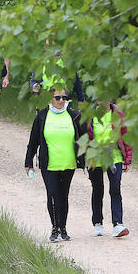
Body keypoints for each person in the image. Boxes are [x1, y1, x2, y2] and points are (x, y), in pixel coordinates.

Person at [25, 86, 84, 242]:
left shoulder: (73, 115)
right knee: (52, 194)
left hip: (68, 163)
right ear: (50, 99)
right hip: (49, 163)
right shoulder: (42, 116)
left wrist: (86, 159)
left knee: (63, 196)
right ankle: (54, 228)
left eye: (64, 98)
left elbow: (83, 139)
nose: (61, 101)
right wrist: (28, 161)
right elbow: (33, 141)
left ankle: (63, 228)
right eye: (57, 98)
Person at [87, 96, 132, 238]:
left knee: (115, 188)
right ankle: (98, 223)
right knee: (97, 189)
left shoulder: (118, 114)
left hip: (115, 156)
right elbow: (85, 137)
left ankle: (117, 224)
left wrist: (128, 159)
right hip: (96, 157)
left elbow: (125, 135)